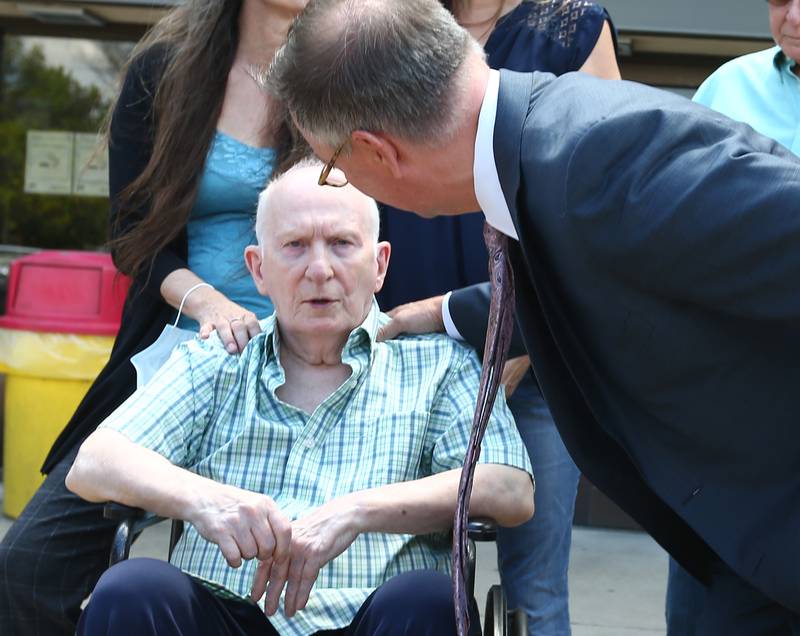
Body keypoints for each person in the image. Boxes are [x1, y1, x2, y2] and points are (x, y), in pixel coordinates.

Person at [268, 1, 800, 633]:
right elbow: (601, 264)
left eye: (332, 166)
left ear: (376, 151)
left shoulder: (599, 154)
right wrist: (446, 312)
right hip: (724, 532)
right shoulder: (541, 141)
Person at [65, 161, 534, 636]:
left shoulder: (436, 365)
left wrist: (357, 512)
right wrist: (206, 501)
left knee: (429, 600)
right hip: (223, 613)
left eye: (341, 243)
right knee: (131, 589)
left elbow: (511, 489)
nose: (319, 269)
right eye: (294, 246)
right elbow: (94, 463)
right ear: (259, 269)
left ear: (380, 265)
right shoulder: (218, 359)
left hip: (374, 618)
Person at [0, 1, 307, 633]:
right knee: (29, 565)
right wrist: (207, 302)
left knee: (264, 587)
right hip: (178, 355)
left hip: (306, 367)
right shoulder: (164, 71)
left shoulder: (345, 71)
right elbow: (131, 233)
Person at [376, 2, 618, 633]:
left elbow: (600, 207)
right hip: (405, 357)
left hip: (535, 362)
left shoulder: (571, 27)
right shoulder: (390, 23)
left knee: (534, 592)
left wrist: (525, 342)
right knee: (397, 574)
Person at [665, 0, 800, 632]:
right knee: (709, 609)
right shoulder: (728, 86)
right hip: (733, 420)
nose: (793, 15)